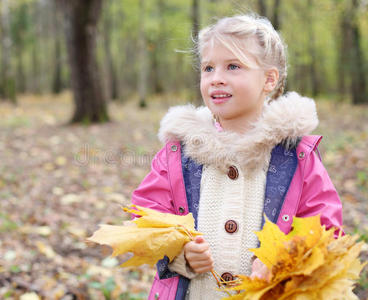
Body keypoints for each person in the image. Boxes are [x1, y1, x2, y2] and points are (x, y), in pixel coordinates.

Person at [131, 13, 343, 300]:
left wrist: (281, 257)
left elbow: (325, 226)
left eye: (233, 66)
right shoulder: (180, 152)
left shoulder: (296, 155)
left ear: (269, 79)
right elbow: (145, 217)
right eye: (208, 68)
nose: (216, 79)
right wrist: (180, 253)